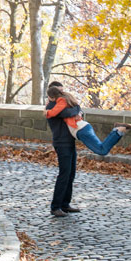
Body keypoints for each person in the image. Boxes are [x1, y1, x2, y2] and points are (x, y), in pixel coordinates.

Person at [45, 86, 131, 156]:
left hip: (80, 130)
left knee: (102, 150)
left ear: (52, 97)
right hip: (84, 127)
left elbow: (54, 112)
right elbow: (77, 108)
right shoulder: (67, 100)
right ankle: (119, 131)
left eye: (49, 97)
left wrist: (46, 112)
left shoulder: (61, 101)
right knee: (101, 149)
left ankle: (118, 130)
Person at [46, 80, 81, 218]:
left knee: (71, 173)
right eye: (60, 92)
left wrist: (77, 108)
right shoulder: (53, 107)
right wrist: (78, 107)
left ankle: (65, 204)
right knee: (64, 174)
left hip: (69, 141)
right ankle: (56, 206)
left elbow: (74, 110)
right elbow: (70, 112)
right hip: (62, 142)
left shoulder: (60, 103)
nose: (63, 94)